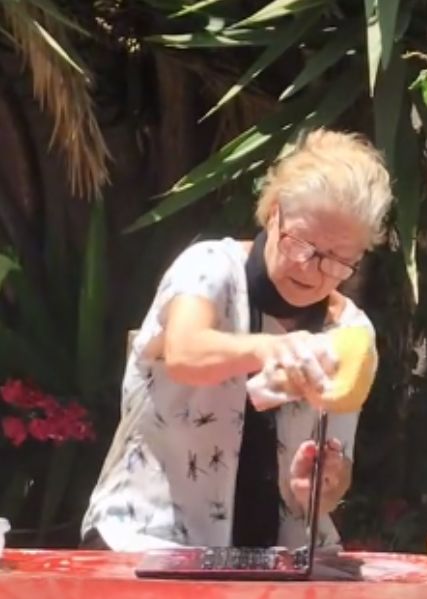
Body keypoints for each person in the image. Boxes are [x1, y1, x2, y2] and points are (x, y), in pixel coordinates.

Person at [81, 129, 393, 552]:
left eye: (340, 261)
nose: (313, 270)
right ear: (274, 213)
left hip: (281, 557)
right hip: (150, 542)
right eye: (302, 243)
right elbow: (186, 351)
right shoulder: (209, 267)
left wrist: (324, 483)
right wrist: (271, 348)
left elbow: (338, 469)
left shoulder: (351, 331)